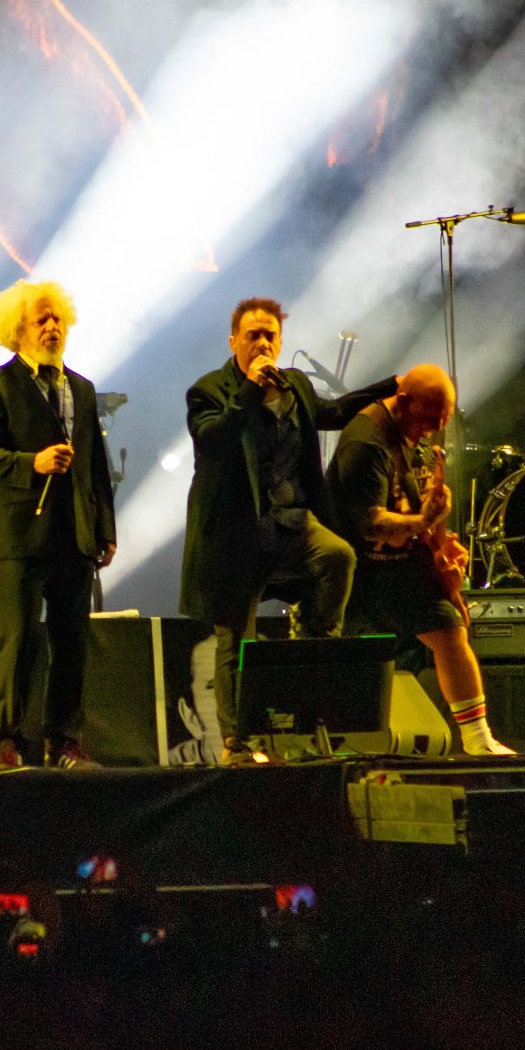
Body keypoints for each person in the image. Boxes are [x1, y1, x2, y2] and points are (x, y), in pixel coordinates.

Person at [180, 296, 398, 759]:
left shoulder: (294, 383)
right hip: (238, 532)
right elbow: (214, 439)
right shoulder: (208, 390)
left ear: (280, 342)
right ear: (234, 341)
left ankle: (316, 651)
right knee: (235, 637)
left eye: (270, 336)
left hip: (292, 522)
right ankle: (237, 743)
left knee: (338, 554)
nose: (263, 343)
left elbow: (332, 413)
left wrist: (393, 386)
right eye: (253, 335)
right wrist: (250, 391)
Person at [0, 280, 117, 769]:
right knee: (18, 642)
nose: (53, 327)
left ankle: (65, 740)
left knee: (71, 644)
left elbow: (95, 465)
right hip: (22, 534)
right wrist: (33, 462)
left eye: (58, 319)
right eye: (42, 319)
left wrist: (105, 527)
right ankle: (7, 741)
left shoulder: (82, 388)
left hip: (75, 533)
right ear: (18, 330)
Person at [328, 364, 514, 755]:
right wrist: (424, 521)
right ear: (404, 401)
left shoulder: (416, 432)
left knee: (449, 629)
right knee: (359, 658)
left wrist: (441, 543)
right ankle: (343, 743)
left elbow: (421, 495)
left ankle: (478, 739)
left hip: (401, 560)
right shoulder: (365, 443)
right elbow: (369, 524)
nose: (435, 428)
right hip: (360, 569)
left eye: (443, 420)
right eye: (430, 418)